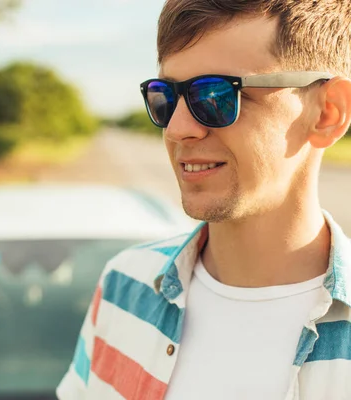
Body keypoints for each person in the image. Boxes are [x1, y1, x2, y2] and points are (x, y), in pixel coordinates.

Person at [56, 0, 351, 399]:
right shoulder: (124, 285)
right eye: (165, 96)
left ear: (327, 113)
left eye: (215, 96)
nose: (177, 129)